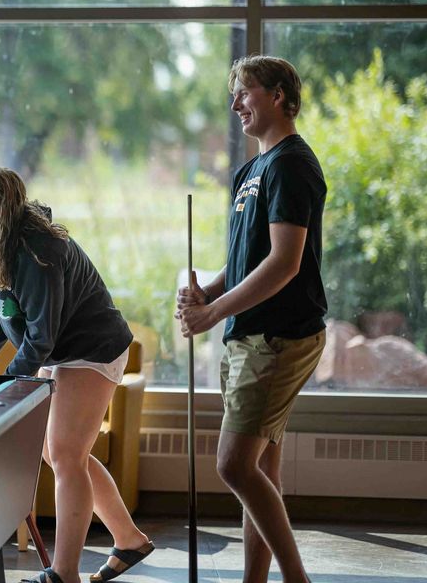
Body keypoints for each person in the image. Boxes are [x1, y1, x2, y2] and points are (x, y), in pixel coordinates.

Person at [0, 166, 151, 583]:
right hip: (63, 350)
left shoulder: (39, 252)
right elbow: (0, 314)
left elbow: (40, 338)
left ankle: (64, 574)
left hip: (92, 348)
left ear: (9, 209)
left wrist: (8, 385)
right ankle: (129, 540)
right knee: (64, 453)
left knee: (64, 454)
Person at [177, 55, 326, 583]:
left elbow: (285, 262)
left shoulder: (290, 164)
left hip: (279, 337)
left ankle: (296, 580)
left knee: (233, 465)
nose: (235, 102)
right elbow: (245, 260)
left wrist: (213, 312)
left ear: (279, 95)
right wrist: (204, 290)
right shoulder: (252, 170)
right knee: (260, 469)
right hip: (253, 336)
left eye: (245, 91)